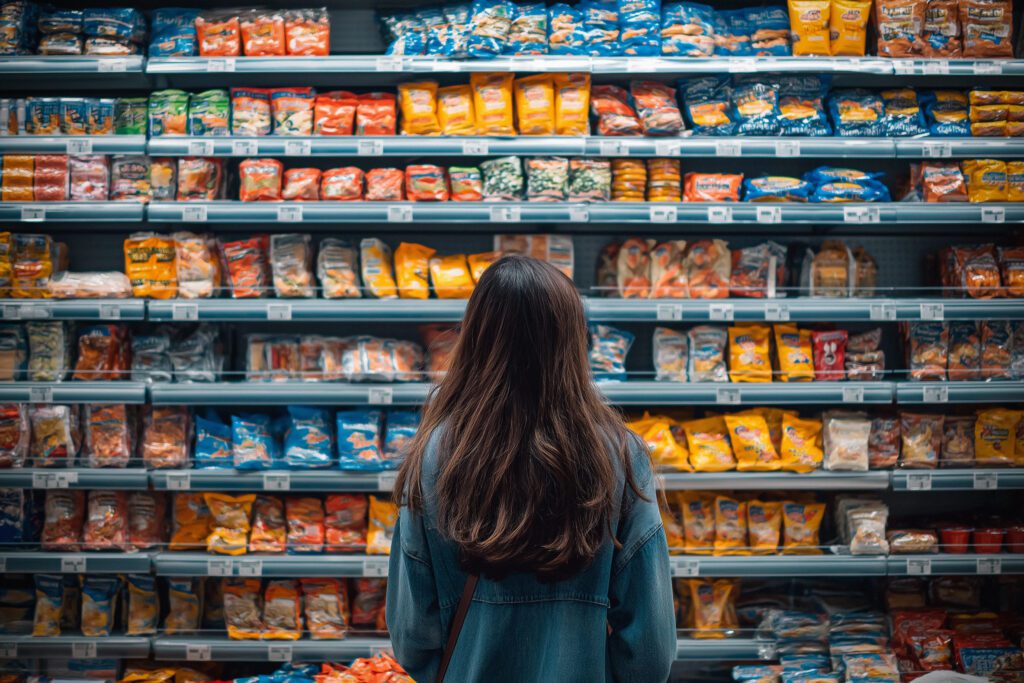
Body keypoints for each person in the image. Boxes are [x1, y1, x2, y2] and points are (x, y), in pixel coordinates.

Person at [386, 255, 676, 682]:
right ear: (573, 342)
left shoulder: (434, 454)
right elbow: (650, 649)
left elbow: (412, 635)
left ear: (476, 338)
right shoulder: (619, 453)